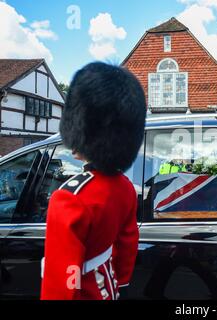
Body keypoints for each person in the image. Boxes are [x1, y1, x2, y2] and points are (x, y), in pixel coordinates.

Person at [41, 62, 146, 300]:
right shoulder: (125, 187)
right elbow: (127, 245)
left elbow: (61, 282)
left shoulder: (69, 198)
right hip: (108, 289)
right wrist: (120, 283)